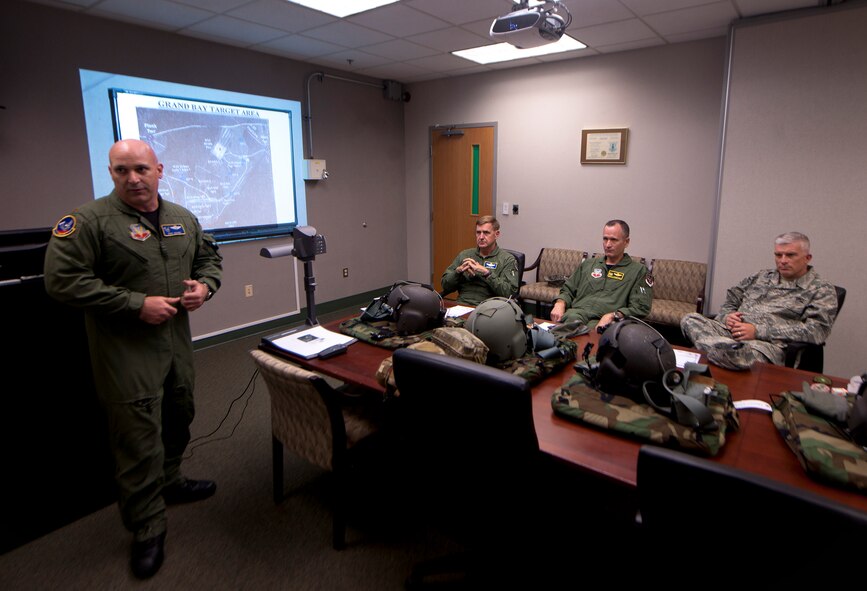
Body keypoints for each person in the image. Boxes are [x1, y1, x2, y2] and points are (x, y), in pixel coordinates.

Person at [44, 139, 223, 579]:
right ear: (111, 174)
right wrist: (133, 303)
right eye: (122, 170)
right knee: (138, 434)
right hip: (125, 349)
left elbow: (209, 258)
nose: (133, 178)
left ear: (159, 169)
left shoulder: (182, 217)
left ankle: (171, 480)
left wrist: (205, 286)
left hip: (176, 343)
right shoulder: (87, 222)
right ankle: (147, 525)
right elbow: (61, 281)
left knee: (180, 411)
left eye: (141, 168)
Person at [681, 232, 838, 370]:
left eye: (790, 255)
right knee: (689, 319)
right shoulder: (761, 276)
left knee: (733, 355)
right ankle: (724, 351)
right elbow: (732, 298)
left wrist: (758, 331)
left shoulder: (822, 289)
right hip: (730, 332)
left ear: (807, 258)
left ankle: (713, 351)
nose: (782, 260)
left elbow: (817, 331)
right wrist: (727, 316)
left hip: (767, 346)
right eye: (778, 255)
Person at [549, 220, 652, 328]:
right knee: (557, 333)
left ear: (626, 242)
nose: (608, 244)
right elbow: (568, 289)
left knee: (592, 336)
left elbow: (641, 307)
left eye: (613, 240)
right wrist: (560, 303)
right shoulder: (588, 265)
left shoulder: (639, 271)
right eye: (605, 239)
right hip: (576, 315)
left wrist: (614, 315)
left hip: (607, 322)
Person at [441, 215, 518, 306]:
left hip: (490, 308)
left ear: (496, 234)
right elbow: (445, 285)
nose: (481, 237)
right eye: (478, 232)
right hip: (462, 305)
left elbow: (510, 292)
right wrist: (458, 272)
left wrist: (487, 273)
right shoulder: (465, 255)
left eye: (486, 233)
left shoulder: (507, 259)